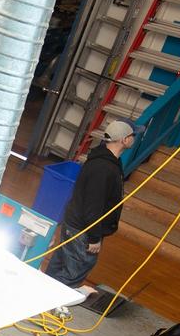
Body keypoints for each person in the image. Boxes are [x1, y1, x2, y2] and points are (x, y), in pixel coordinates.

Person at [46, 120, 136, 291]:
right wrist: (94, 237)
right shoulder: (104, 167)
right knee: (74, 272)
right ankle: (50, 307)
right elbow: (93, 205)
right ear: (123, 140)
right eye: (132, 135)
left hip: (74, 223)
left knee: (60, 263)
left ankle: (39, 296)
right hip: (84, 230)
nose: (134, 138)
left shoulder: (104, 160)